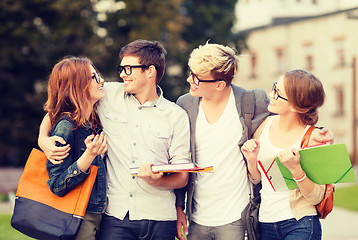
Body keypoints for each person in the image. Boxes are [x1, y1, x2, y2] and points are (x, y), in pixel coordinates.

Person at [175, 43, 334, 240]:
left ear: (219, 84)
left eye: (197, 77)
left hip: (241, 217)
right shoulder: (184, 105)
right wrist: (179, 207)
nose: (190, 79)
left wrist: (319, 132)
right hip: (203, 217)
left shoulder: (252, 101)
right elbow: (179, 157)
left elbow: (295, 109)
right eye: (191, 72)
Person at [38, 40, 191, 240]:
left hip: (161, 217)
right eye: (121, 68)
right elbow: (66, 101)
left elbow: (182, 177)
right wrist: (42, 137)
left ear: (150, 71)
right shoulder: (107, 93)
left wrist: (157, 180)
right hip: (115, 216)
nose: (122, 74)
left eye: (128, 69)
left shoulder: (176, 116)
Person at [241, 69, 326, 240]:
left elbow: (317, 197)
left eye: (278, 94)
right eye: (274, 88)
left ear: (295, 106)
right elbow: (258, 179)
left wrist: (296, 169)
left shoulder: (313, 139)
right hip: (266, 222)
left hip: (300, 223)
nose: (270, 95)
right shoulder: (263, 127)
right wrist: (251, 159)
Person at [44, 56, 107, 240]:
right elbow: (56, 185)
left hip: (99, 214)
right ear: (77, 85)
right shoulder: (66, 126)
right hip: (78, 218)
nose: (101, 80)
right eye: (94, 77)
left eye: (99, 75)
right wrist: (88, 156)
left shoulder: (94, 121)